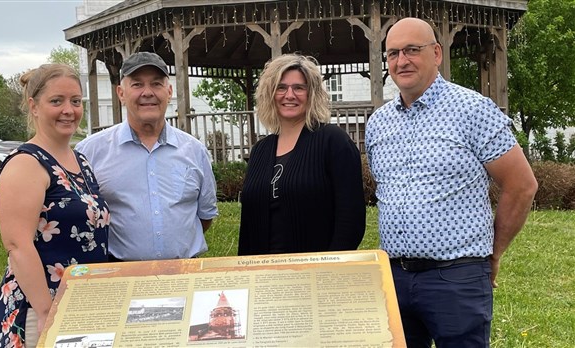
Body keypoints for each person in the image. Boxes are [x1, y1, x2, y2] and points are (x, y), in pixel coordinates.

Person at [365, 18, 538, 347]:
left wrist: (494, 252)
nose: (402, 61)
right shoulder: (378, 124)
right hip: (393, 277)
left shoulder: (472, 110)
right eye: (393, 53)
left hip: (456, 277)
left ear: (436, 53)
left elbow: (522, 184)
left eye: (412, 50)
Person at [0, 64, 110, 348]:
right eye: (56, 101)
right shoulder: (26, 163)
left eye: (75, 101)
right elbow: (18, 245)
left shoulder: (80, 161)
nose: (68, 110)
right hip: (38, 310)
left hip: (80, 306)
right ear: (34, 106)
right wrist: (47, 312)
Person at [76, 51, 218, 261]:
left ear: (169, 92)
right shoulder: (90, 152)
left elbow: (205, 216)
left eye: (156, 84)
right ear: (121, 93)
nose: (148, 92)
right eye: (137, 84)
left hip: (185, 275)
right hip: (119, 276)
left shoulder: (195, 151)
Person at [238, 53, 366, 255]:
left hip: (314, 276)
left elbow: (351, 219)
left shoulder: (334, 142)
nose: (289, 95)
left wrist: (329, 268)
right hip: (263, 277)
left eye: (299, 87)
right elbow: (248, 224)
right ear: (269, 94)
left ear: (312, 93)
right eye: (281, 87)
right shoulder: (260, 151)